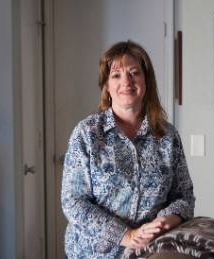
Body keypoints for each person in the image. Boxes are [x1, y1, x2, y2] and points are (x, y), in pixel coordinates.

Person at [61, 41, 195, 259]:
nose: (126, 81)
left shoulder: (167, 136)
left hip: (150, 252)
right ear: (106, 85)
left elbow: (184, 196)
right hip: (92, 254)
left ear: (146, 81)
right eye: (116, 75)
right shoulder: (86, 133)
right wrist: (127, 235)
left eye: (134, 73)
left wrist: (164, 221)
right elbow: (73, 203)